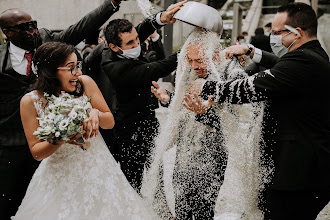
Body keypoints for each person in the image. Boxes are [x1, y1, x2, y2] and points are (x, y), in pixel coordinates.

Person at [184, 2, 330, 219]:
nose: (273, 37)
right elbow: (281, 66)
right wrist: (252, 51)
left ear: (297, 33)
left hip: (297, 175)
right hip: (299, 171)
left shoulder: (303, 61)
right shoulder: (313, 55)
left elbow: (248, 88)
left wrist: (206, 86)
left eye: (277, 32)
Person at [0, 1, 124, 218]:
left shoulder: (63, 58)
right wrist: (62, 135)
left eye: (33, 25)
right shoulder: (26, 94)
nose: (32, 31)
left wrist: (112, 3)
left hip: (88, 162)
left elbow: (82, 27)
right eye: (24, 28)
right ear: (7, 33)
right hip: (12, 143)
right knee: (9, 201)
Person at [12, 41, 157, 220]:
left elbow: (109, 122)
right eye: (71, 67)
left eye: (78, 66)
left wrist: (94, 112)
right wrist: (62, 136)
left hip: (98, 168)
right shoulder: (30, 101)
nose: (78, 73)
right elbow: (36, 153)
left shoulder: (85, 83)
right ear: (50, 71)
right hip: (59, 178)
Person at [144, 28, 264, 219]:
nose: (193, 65)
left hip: (212, 156)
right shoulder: (189, 72)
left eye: (199, 60)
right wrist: (169, 99)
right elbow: (186, 107)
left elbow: (234, 119)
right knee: (182, 207)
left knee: (203, 211)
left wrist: (205, 113)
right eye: (189, 60)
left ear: (215, 54)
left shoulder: (232, 73)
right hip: (183, 155)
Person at [101, 0, 187, 193]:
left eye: (137, 40)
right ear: (113, 47)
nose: (137, 44)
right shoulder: (117, 68)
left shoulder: (118, 48)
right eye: (130, 43)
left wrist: (161, 18)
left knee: (158, 171)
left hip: (149, 121)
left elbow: (140, 29)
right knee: (133, 180)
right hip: (128, 132)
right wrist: (189, 48)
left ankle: (162, 206)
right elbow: (161, 66)